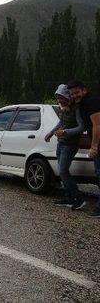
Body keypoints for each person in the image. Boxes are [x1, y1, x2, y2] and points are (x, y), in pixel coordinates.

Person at [45, 84, 85, 210]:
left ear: (68, 96)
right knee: (61, 172)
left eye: (61, 97)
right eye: (58, 98)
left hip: (70, 144)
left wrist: (65, 132)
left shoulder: (76, 109)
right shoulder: (63, 108)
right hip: (61, 142)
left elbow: (81, 127)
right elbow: (61, 123)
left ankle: (78, 198)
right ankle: (69, 197)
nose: (60, 100)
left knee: (63, 171)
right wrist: (51, 133)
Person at [67, 80, 100, 218]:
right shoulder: (82, 104)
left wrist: (94, 146)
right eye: (72, 94)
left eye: (77, 92)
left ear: (84, 90)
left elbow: (97, 125)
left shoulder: (91, 102)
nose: (74, 96)